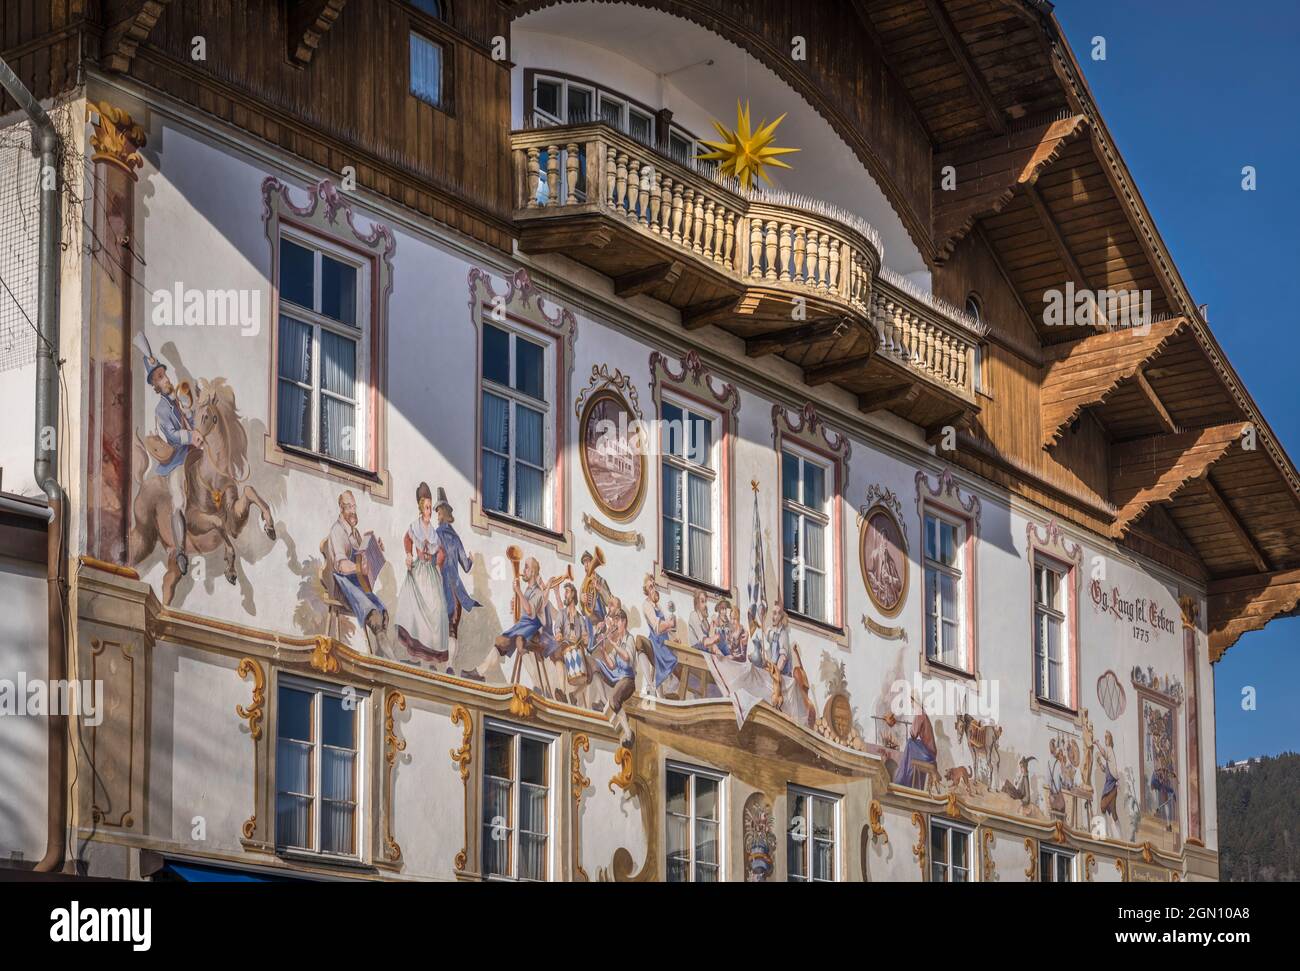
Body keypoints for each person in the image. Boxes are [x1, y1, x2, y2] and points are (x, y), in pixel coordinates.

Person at [134, 333, 203, 576]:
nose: (164, 379)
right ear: (154, 386)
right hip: (176, 460)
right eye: (159, 378)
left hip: (195, 451)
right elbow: (173, 436)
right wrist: (190, 436)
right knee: (179, 499)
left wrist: (192, 412)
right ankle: (181, 549)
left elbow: (194, 419)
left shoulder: (178, 399)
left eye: (164, 375)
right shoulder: (162, 410)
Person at [394, 482, 449, 668]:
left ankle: (432, 659)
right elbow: (407, 539)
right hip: (419, 572)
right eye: (426, 507)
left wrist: (439, 565)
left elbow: (441, 551)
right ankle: (415, 657)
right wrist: (409, 554)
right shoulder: (414, 526)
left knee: (437, 611)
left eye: (430, 508)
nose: (429, 511)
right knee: (415, 612)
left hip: (430, 573)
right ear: (421, 508)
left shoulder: (434, 533)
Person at [326, 490, 388, 640]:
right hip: (343, 586)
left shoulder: (356, 534)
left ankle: (383, 657)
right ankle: (385, 656)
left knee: (383, 613)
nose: (353, 511)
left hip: (357, 584)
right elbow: (342, 565)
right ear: (341, 508)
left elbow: (363, 559)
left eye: (354, 506)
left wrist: (376, 550)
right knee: (374, 617)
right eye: (349, 507)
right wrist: (359, 568)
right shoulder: (337, 531)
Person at [432, 488, 479, 674]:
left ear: (443, 513)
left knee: (437, 624)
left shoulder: (436, 534)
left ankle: (436, 664)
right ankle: (450, 664)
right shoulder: (455, 537)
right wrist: (472, 559)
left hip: (440, 585)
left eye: (438, 511)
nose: (437, 515)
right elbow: (466, 566)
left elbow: (431, 558)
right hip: (456, 589)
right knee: (452, 628)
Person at [591, 605, 637, 745]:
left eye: (618, 621)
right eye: (615, 621)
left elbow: (627, 657)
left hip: (627, 680)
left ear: (625, 622)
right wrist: (604, 650)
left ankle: (628, 734)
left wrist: (613, 643)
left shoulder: (629, 639)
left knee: (615, 700)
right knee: (595, 665)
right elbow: (611, 665)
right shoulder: (618, 641)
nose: (616, 624)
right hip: (617, 676)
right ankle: (604, 701)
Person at [641, 574, 680, 695]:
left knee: (677, 665)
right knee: (671, 663)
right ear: (647, 591)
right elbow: (657, 627)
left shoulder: (658, 606)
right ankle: (661, 691)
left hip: (664, 640)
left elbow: (666, 628)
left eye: (654, 586)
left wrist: (674, 637)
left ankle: (666, 693)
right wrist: (669, 623)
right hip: (656, 642)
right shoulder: (646, 605)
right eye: (650, 587)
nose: (654, 589)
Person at [893, 689, 937, 790]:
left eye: (911, 701)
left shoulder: (920, 714)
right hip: (929, 751)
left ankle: (902, 780)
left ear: (914, 700)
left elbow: (913, 734)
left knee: (909, 743)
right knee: (911, 745)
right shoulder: (922, 713)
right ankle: (906, 779)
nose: (911, 704)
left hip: (928, 753)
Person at [1097, 730, 1120, 827]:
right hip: (1110, 785)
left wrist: (1097, 743)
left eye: (1107, 737)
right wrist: (1100, 763)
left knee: (1103, 806)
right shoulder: (1110, 752)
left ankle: (1107, 831)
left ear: (1110, 740)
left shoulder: (1109, 749)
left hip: (1110, 786)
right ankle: (1117, 833)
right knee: (1112, 812)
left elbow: (1103, 753)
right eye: (1105, 737)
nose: (1105, 739)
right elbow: (1106, 770)